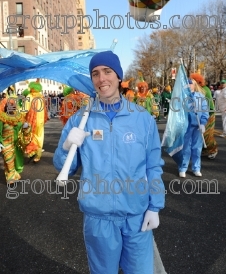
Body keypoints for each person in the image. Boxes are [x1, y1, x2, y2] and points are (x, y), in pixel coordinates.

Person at [53, 50, 165, 274]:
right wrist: (66, 147)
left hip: (136, 216)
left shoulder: (142, 118)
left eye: (107, 71)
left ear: (118, 76)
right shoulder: (80, 120)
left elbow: (153, 166)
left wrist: (155, 206)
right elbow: (64, 167)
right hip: (98, 218)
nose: (101, 78)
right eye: (95, 73)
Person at [178, 78, 209, 178]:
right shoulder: (183, 97)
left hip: (197, 127)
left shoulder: (201, 97)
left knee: (197, 149)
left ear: (194, 85)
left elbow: (205, 111)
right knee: (186, 149)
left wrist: (203, 123)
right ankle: (183, 168)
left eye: (191, 84)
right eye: (187, 84)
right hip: (186, 127)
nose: (189, 85)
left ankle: (196, 168)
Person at [190, 73, 218, 159]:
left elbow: (208, 105)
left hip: (209, 114)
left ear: (197, 81)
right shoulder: (195, 90)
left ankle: (213, 150)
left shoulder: (205, 90)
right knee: (199, 134)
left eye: (192, 81)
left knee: (207, 134)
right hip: (199, 115)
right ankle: (204, 149)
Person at [0, 98, 25, 183]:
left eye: (13, 105)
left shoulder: (18, 117)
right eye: (10, 105)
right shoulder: (2, 118)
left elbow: (23, 130)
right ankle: (10, 178)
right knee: (9, 160)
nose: (12, 107)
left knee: (16, 161)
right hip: (5, 144)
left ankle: (14, 174)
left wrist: (27, 127)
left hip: (16, 143)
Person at [24, 80, 48, 162]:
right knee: (40, 137)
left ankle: (32, 151)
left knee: (31, 136)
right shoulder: (41, 97)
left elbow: (25, 110)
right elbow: (45, 110)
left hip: (32, 121)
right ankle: (38, 155)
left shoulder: (29, 96)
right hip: (40, 121)